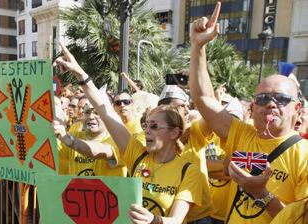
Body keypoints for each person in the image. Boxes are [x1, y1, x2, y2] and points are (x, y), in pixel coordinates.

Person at [54, 42, 214, 224]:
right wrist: (81, 75)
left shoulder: (188, 171)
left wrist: (154, 220)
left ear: (174, 133)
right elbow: (105, 109)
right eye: (146, 125)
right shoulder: (137, 155)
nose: (146, 131)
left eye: (154, 127)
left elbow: (176, 220)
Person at [189, 2, 308, 223]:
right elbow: (204, 99)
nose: (271, 104)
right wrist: (198, 47)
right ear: (253, 107)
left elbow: (299, 219)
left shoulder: (304, 155)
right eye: (263, 99)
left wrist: (261, 193)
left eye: (281, 99)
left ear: (297, 108)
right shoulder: (243, 134)